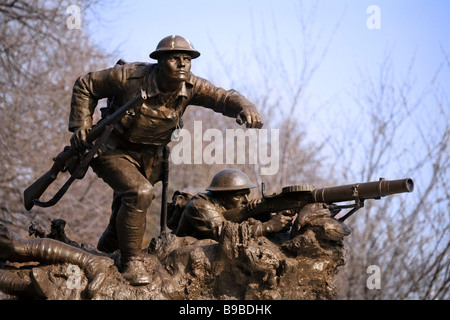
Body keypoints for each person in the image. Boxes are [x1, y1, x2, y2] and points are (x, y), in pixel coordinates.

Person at [69, 35, 263, 285]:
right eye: (175, 58)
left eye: (187, 59)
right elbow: (86, 84)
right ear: (159, 61)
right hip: (112, 148)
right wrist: (81, 126)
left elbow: (223, 98)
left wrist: (245, 107)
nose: (183, 64)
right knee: (139, 193)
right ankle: (132, 262)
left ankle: (105, 256)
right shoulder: (130, 76)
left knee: (124, 213)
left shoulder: (191, 86)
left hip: (149, 156)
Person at [175, 169, 293, 241]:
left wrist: (267, 216)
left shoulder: (228, 206)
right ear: (221, 196)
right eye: (239, 196)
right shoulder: (199, 205)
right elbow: (223, 234)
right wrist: (268, 227)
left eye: (247, 194)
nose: (246, 200)